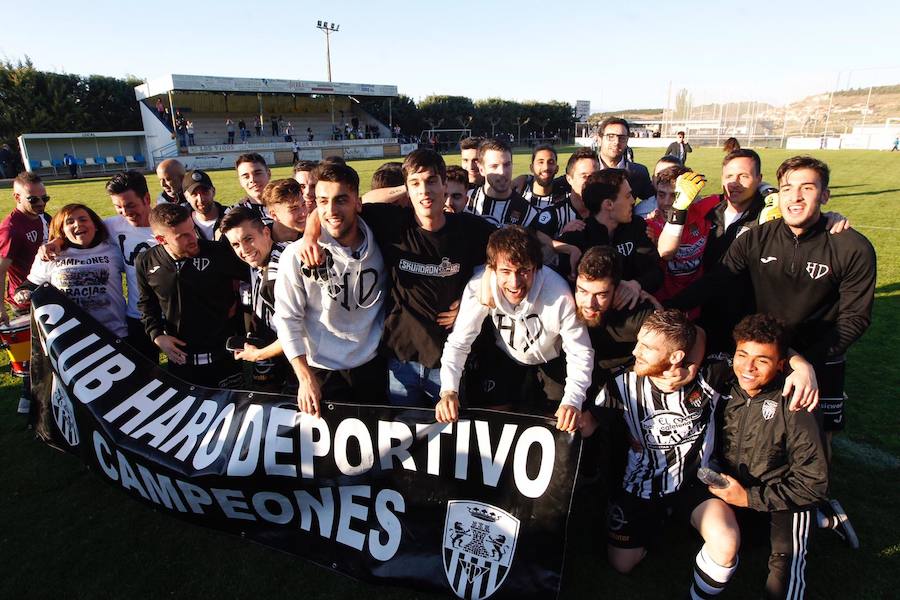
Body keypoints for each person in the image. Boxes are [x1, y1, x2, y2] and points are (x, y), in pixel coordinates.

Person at [669, 156, 876, 547]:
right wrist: (668, 308)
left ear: (825, 195)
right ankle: (755, 508)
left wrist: (806, 362)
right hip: (766, 356)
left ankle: (818, 508)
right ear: (776, 193)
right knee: (757, 432)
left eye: (807, 188)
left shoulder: (851, 246)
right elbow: (717, 280)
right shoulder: (758, 238)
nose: (795, 197)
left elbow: (855, 319)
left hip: (819, 356)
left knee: (817, 437)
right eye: (788, 188)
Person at [299, 148, 495, 408]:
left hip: (450, 362)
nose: (424, 191)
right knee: (403, 439)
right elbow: (346, 201)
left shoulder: (470, 229)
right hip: (400, 362)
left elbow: (511, 249)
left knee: (450, 439)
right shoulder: (391, 222)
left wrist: (477, 293)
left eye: (431, 181)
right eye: (415, 183)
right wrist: (309, 235)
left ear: (445, 184)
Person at [588, 309, 740, 597]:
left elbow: (753, 355)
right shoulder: (620, 383)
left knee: (726, 542)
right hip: (640, 483)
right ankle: (662, 522)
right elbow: (591, 420)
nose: (635, 351)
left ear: (676, 357)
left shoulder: (709, 376)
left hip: (695, 481)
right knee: (622, 564)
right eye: (639, 343)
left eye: (646, 347)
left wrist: (801, 365)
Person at [711, 313, 828, 600]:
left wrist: (749, 499)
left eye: (762, 360)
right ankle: (826, 518)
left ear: (781, 364)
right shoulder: (722, 382)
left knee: (784, 563)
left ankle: (821, 516)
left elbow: (813, 483)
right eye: (742, 355)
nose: (748, 368)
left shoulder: (797, 401)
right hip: (736, 492)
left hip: (786, 498)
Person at [436, 226, 593, 432]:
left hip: (551, 359)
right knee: (493, 421)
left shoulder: (559, 293)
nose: (515, 282)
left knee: (559, 424)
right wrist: (448, 390)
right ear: (492, 269)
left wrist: (572, 400)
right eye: (506, 271)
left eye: (523, 271)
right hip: (504, 355)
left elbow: (580, 351)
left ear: (536, 267)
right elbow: (459, 341)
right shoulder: (479, 287)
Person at [274, 162, 389, 413]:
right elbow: (286, 318)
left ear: (358, 203)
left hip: (372, 368)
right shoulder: (296, 255)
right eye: (323, 201)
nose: (331, 210)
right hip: (321, 373)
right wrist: (304, 378)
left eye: (341, 200)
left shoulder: (385, 240)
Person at [136, 203, 249, 389]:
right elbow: (147, 304)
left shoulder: (218, 252)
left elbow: (253, 276)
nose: (193, 238)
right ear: (160, 239)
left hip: (223, 353)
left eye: (192, 229)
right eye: (183, 236)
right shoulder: (146, 261)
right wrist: (156, 335)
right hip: (181, 359)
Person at [16, 204, 126, 339]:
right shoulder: (50, 254)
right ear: (62, 230)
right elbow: (31, 285)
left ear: (96, 225)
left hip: (114, 333)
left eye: (83, 219)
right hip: (70, 339)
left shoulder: (113, 250)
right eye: (70, 222)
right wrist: (23, 293)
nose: (77, 225)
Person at [557, 169, 662, 298]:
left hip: (632, 306)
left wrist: (637, 284)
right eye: (628, 196)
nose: (633, 201)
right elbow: (567, 288)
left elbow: (656, 273)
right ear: (609, 204)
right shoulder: (576, 238)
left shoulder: (638, 226)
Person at [220, 207, 293, 392]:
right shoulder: (265, 255)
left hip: (292, 354)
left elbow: (296, 334)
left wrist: (258, 354)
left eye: (248, 239)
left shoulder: (277, 276)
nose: (244, 250)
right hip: (270, 342)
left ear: (266, 232)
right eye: (236, 244)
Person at [0, 172, 52, 413]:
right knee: (34, 355)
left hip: (47, 293)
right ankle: (28, 401)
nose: (41, 203)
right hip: (24, 300)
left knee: (49, 350)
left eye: (45, 198)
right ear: (17, 197)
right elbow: (1, 268)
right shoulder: (11, 227)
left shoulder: (44, 217)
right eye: (33, 199)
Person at [645, 166, 720, 314]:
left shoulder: (703, 210)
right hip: (663, 306)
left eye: (674, 195)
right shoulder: (649, 226)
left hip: (696, 303)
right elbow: (666, 253)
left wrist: (768, 191)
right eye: (661, 194)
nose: (666, 202)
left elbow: (737, 196)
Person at [465, 138, 538, 227]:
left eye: (507, 165)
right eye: (494, 166)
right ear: (481, 169)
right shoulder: (466, 200)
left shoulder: (527, 212)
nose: (502, 172)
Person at [531, 147, 598, 240]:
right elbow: (539, 249)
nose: (591, 181)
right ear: (569, 179)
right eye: (584, 176)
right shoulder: (554, 214)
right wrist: (563, 237)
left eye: (594, 176)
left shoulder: (606, 210)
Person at [597, 117, 654, 201]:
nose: (616, 142)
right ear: (599, 139)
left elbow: (652, 202)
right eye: (611, 136)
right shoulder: (585, 170)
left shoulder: (639, 173)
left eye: (622, 138)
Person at [511, 144, 567, 209]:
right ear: (532, 168)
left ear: (557, 169)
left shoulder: (565, 196)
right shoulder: (518, 193)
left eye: (551, 162)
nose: (546, 167)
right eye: (541, 162)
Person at [632, 154, 684, 219]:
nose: (665, 178)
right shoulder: (641, 212)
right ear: (653, 179)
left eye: (673, 174)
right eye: (660, 175)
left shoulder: (695, 208)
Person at [182, 169, 227, 241]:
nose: (201, 199)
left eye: (205, 192)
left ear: (213, 191)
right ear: (186, 197)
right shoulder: (182, 225)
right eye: (194, 194)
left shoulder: (230, 216)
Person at [261, 179, 306, 243]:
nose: (303, 213)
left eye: (304, 204)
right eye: (294, 208)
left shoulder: (317, 238)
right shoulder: (260, 239)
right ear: (274, 215)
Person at [233, 153, 272, 224]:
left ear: (268, 174)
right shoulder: (235, 214)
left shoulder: (288, 205)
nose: (252, 180)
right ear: (240, 181)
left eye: (257, 173)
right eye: (246, 176)